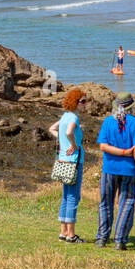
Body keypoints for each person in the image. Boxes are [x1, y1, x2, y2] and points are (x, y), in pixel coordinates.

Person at [94, 93, 135, 250]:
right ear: (131, 107)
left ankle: (102, 238)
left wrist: (120, 152)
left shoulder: (108, 121)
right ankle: (119, 240)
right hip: (128, 170)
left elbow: (103, 146)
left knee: (105, 203)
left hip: (108, 169)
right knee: (127, 203)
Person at [49, 88, 88, 243]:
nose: (86, 105)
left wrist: (61, 141)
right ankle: (71, 235)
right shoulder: (72, 117)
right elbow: (69, 132)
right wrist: (74, 144)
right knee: (73, 197)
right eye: (83, 101)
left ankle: (63, 231)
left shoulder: (64, 116)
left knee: (66, 196)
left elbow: (52, 129)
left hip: (63, 161)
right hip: (74, 162)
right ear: (76, 102)